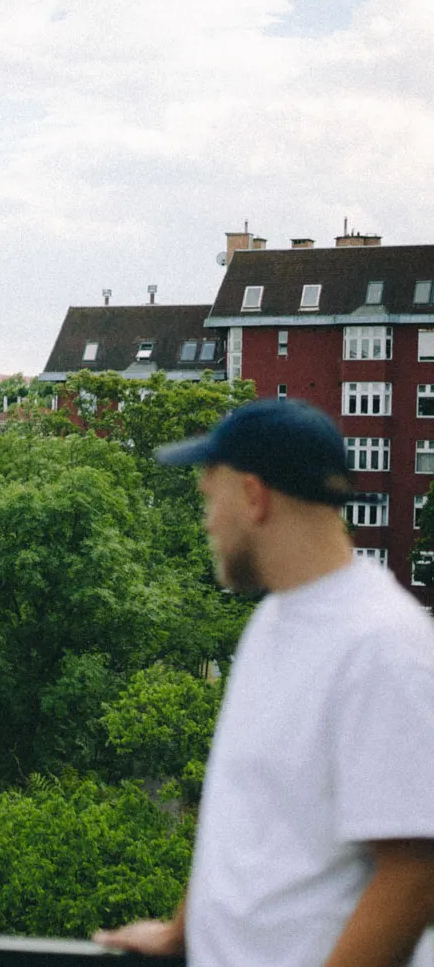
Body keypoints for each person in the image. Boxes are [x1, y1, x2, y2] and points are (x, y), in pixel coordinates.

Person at [94, 398, 434, 966]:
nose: (206, 522)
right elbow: (247, 814)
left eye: (210, 499)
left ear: (254, 497)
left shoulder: (382, 645)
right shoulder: (273, 621)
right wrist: (181, 931)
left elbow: (414, 875)